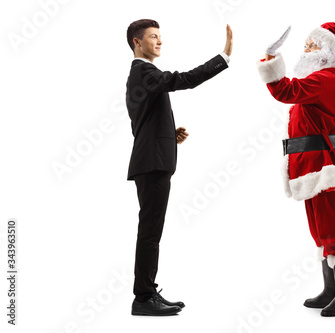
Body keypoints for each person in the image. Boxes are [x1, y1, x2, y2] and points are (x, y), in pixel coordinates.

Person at [125, 19, 233, 316]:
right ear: (137, 42)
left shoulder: (141, 75)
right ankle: (143, 297)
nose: (160, 41)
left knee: (151, 230)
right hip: (152, 163)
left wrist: (169, 137)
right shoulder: (144, 71)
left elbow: (143, 122)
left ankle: (146, 293)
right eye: (153, 37)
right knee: (150, 231)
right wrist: (222, 57)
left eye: (161, 37)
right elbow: (182, 79)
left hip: (153, 158)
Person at [256, 22, 335, 317]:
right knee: (321, 231)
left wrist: (270, 59)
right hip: (314, 166)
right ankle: (331, 291)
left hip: (330, 165)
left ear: (329, 51)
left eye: (313, 44)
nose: (306, 49)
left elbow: (286, 91)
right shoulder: (318, 80)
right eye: (306, 44)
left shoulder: (326, 79)